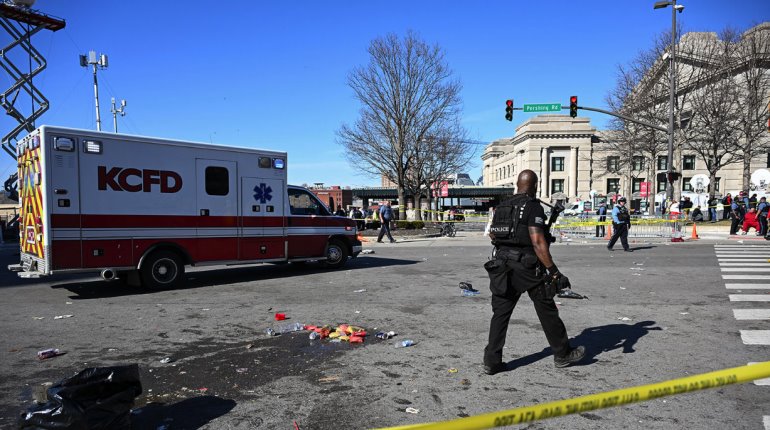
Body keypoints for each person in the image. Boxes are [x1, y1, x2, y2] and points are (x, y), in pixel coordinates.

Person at [482, 169, 585, 375]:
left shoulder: (502, 206)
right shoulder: (532, 207)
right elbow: (538, 243)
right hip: (527, 268)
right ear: (535, 186)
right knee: (547, 309)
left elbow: (493, 234)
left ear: (516, 185)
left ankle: (491, 362)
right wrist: (554, 272)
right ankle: (562, 354)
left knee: (500, 314)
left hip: (502, 266)